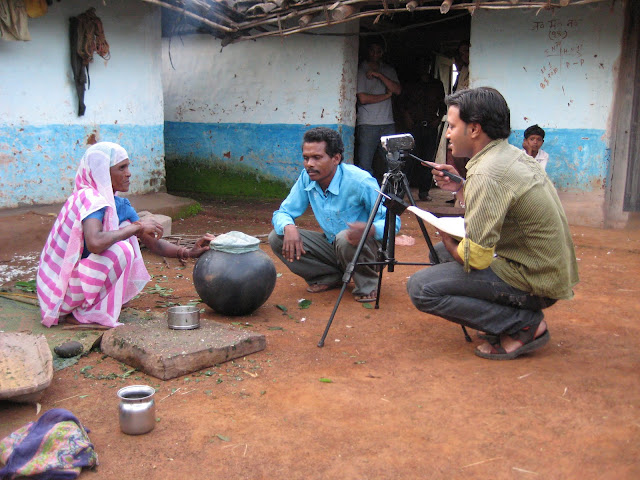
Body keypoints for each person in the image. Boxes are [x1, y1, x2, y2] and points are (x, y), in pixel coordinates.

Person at [407, 87, 579, 360]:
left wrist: (448, 239)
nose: (448, 134)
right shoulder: (507, 156)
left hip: (536, 280)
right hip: (543, 268)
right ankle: (507, 317)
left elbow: (475, 257)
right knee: (439, 255)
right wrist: (460, 188)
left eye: (452, 126)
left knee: (421, 288)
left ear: (474, 129)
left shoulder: (487, 173)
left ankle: (522, 325)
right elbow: (497, 206)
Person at [37, 142, 214, 328]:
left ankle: (94, 307)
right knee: (122, 247)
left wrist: (188, 252)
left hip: (79, 287)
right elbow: (95, 242)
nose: (128, 173)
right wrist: (136, 228)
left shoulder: (121, 205)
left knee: (126, 230)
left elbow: (153, 243)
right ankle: (83, 314)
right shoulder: (90, 199)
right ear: (102, 172)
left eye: (128, 167)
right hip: (59, 296)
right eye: (121, 168)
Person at [268, 127, 400, 303]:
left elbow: (394, 221)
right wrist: (288, 226)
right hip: (334, 246)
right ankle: (328, 276)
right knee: (277, 236)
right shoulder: (307, 177)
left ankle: (367, 284)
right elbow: (283, 212)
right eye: (306, 158)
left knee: (345, 237)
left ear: (336, 158)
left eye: (317, 157)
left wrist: (370, 229)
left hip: (368, 251)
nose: (309, 164)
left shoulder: (360, 181)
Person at [397, 57, 446, 201]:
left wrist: (438, 119)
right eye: (422, 65)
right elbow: (402, 104)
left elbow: (443, 105)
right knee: (409, 160)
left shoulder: (437, 85)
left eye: (427, 65)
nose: (424, 67)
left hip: (430, 127)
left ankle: (424, 192)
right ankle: (402, 192)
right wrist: (407, 118)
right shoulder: (411, 84)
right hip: (414, 127)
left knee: (428, 161)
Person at [355, 41, 402, 177]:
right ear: (367, 51)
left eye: (378, 51)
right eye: (372, 51)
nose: (375, 54)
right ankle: (368, 191)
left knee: (393, 163)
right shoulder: (361, 70)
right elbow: (363, 99)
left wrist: (379, 75)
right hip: (367, 124)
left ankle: (392, 191)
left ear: (382, 53)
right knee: (365, 165)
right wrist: (386, 96)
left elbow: (397, 90)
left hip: (388, 123)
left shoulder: (388, 70)